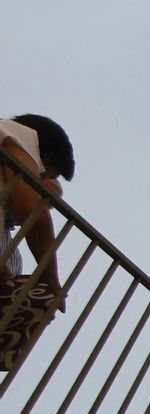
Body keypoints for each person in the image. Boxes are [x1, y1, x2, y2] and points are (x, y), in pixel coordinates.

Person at [1, 115, 75, 371]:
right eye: (45, 174)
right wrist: (49, 276)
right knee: (42, 295)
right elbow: (33, 211)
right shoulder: (18, 134)